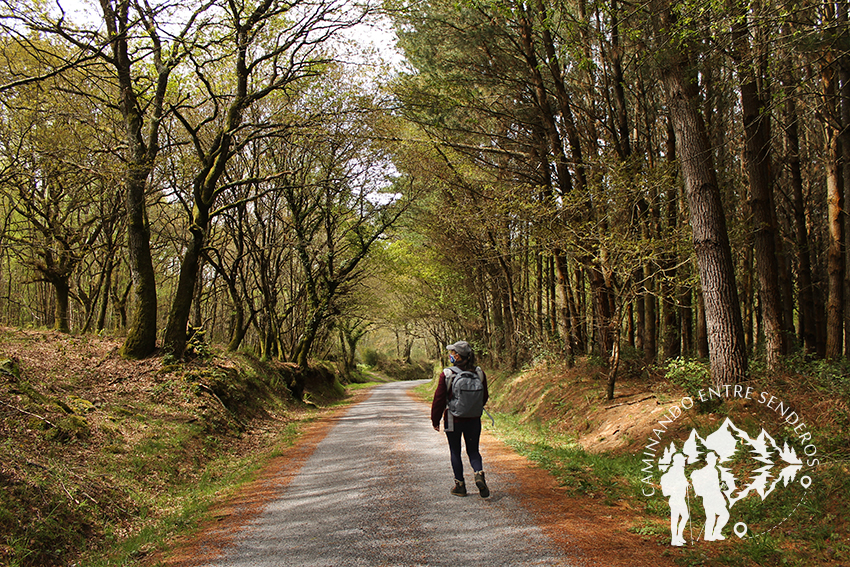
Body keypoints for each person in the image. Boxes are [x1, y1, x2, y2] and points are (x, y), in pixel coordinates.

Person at [431, 340, 490, 498]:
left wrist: (435, 420)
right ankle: (478, 474)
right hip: (473, 419)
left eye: (452, 352)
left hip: (452, 419)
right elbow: (484, 397)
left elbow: (439, 400)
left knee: (455, 451)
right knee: (473, 450)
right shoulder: (479, 373)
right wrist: (472, 409)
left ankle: (460, 486)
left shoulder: (448, 374)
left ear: (457, 356)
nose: (450, 355)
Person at [660, 452, 690, 546]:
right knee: (675, 518)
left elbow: (682, 481)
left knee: (685, 516)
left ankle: (679, 536)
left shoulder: (680, 471)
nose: (683, 463)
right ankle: (674, 539)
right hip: (675, 498)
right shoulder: (673, 471)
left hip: (680, 498)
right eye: (682, 461)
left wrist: (686, 484)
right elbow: (673, 485)